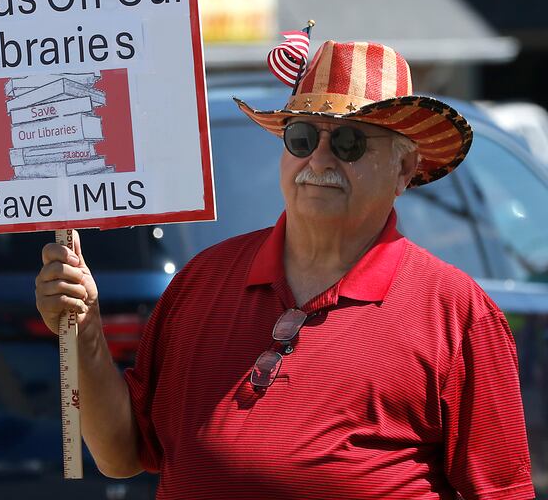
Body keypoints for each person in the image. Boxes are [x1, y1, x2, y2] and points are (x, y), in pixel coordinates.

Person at [35, 39, 535, 499]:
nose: (319, 158)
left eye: (348, 142)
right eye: (301, 137)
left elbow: (501, 490)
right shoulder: (201, 281)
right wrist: (85, 332)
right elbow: (122, 454)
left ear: (403, 170)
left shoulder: (456, 312)